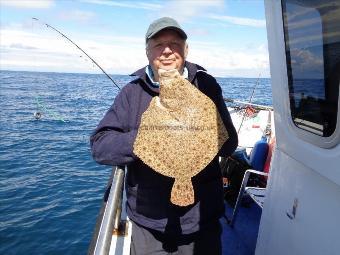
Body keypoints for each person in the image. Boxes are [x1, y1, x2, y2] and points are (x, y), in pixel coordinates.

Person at [90, 17, 238, 255]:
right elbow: (100, 146)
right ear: (147, 51)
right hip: (150, 223)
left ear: (186, 50)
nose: (167, 50)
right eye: (159, 44)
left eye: (175, 43)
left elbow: (228, 143)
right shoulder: (132, 92)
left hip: (203, 218)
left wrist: (196, 130)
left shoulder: (206, 85)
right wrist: (148, 137)